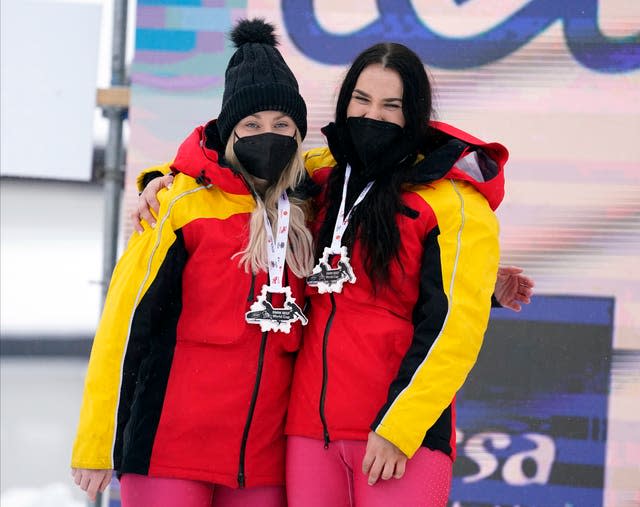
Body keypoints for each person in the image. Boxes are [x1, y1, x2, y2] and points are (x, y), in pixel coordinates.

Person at [134, 42, 535, 507]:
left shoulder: (455, 202)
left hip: (400, 437)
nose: (373, 116)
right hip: (307, 437)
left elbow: (452, 331)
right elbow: (233, 169)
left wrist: (400, 428)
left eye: (392, 105)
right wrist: (163, 177)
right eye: (361, 100)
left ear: (416, 113)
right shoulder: (325, 176)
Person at [71, 19, 315, 507]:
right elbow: (124, 324)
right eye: (251, 125)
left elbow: (373, 163)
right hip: (168, 452)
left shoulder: (312, 203)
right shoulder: (180, 206)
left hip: (261, 465)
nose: (268, 136)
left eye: (282, 126)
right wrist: (97, 441)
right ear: (228, 132)